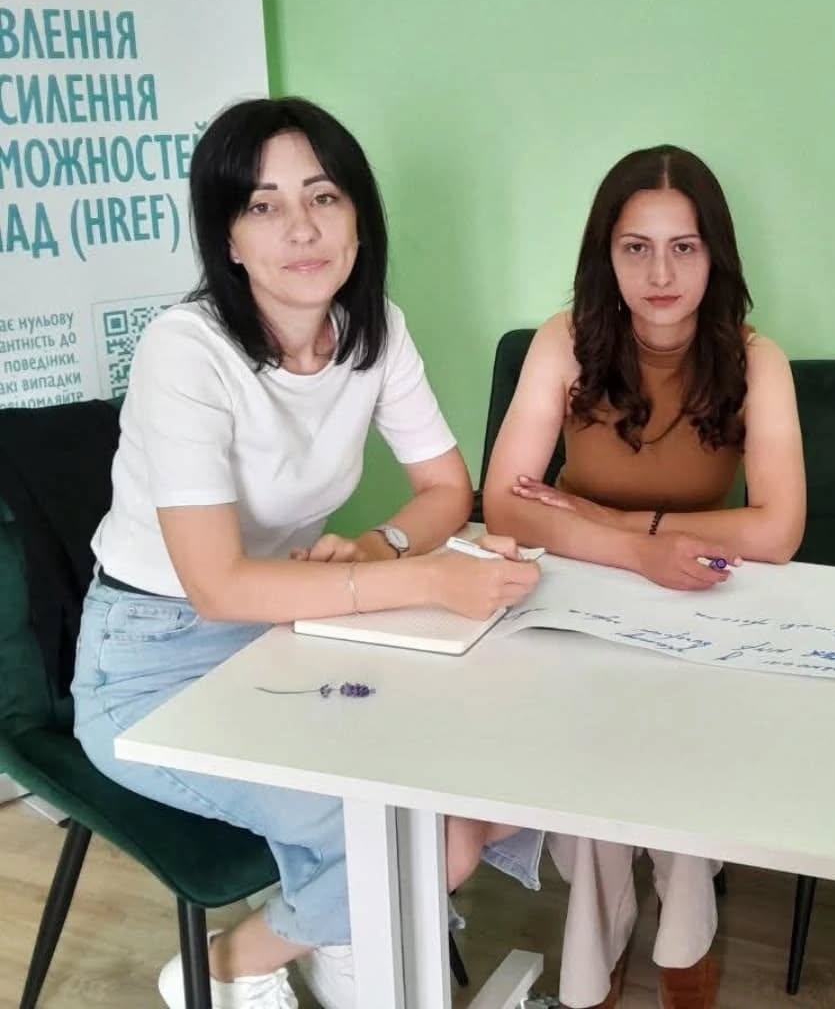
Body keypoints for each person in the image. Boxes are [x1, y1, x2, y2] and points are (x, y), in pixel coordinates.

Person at [70, 96, 541, 1009]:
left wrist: (376, 543)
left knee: (481, 781)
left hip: (286, 630)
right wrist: (421, 577)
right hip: (151, 668)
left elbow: (448, 489)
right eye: (263, 205)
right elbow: (216, 587)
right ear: (228, 238)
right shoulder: (185, 351)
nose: (301, 229)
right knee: (430, 842)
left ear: (358, 217)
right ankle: (228, 967)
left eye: (323, 197)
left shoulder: (374, 329)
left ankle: (344, 939)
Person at [478, 144, 806, 1008]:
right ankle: (609, 959)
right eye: (636, 248)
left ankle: (679, 945)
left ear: (714, 254)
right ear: (607, 255)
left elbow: (779, 530)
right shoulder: (565, 342)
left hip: (703, 595)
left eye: (683, 248)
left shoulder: (756, 360)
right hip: (577, 594)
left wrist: (618, 522)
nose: (660, 275)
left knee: (681, 747)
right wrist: (630, 551)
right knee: (592, 755)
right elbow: (504, 506)